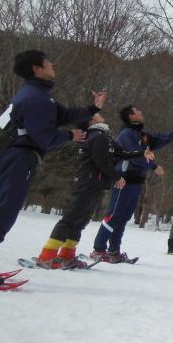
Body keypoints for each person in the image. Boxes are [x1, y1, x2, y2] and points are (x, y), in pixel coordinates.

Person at [0, 50, 106, 286]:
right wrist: (70, 135)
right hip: (17, 159)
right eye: (48, 62)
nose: (53, 64)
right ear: (36, 69)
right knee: (1, 211)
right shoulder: (34, 97)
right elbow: (43, 136)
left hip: (18, 158)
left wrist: (92, 109)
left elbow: (64, 115)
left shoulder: (40, 95)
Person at [35, 113, 153, 269]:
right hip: (87, 182)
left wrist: (141, 153)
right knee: (71, 218)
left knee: (81, 221)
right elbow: (101, 162)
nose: (100, 115)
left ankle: (67, 254)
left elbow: (121, 153)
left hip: (96, 184)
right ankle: (47, 255)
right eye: (96, 114)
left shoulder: (105, 136)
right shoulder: (96, 136)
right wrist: (117, 177)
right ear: (91, 121)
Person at [90, 105, 173, 263]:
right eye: (138, 111)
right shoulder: (127, 134)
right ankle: (98, 249)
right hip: (123, 180)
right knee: (114, 215)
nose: (141, 112)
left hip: (136, 181)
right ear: (131, 116)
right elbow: (135, 156)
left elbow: (160, 140)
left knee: (124, 218)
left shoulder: (142, 134)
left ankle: (114, 251)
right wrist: (154, 166)